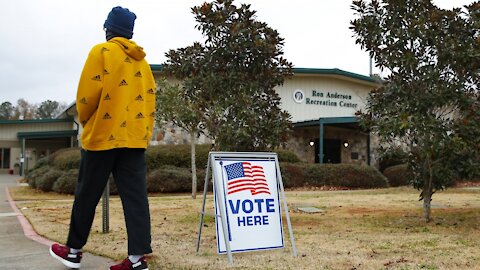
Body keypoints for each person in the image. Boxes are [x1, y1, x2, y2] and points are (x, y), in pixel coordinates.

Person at [49, 6, 156, 270]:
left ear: (108, 29)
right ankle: (136, 260)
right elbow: (151, 101)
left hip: (103, 136)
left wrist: (87, 121)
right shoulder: (142, 62)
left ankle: (73, 252)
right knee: (136, 198)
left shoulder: (101, 52)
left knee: (87, 194)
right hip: (133, 139)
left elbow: (86, 96)